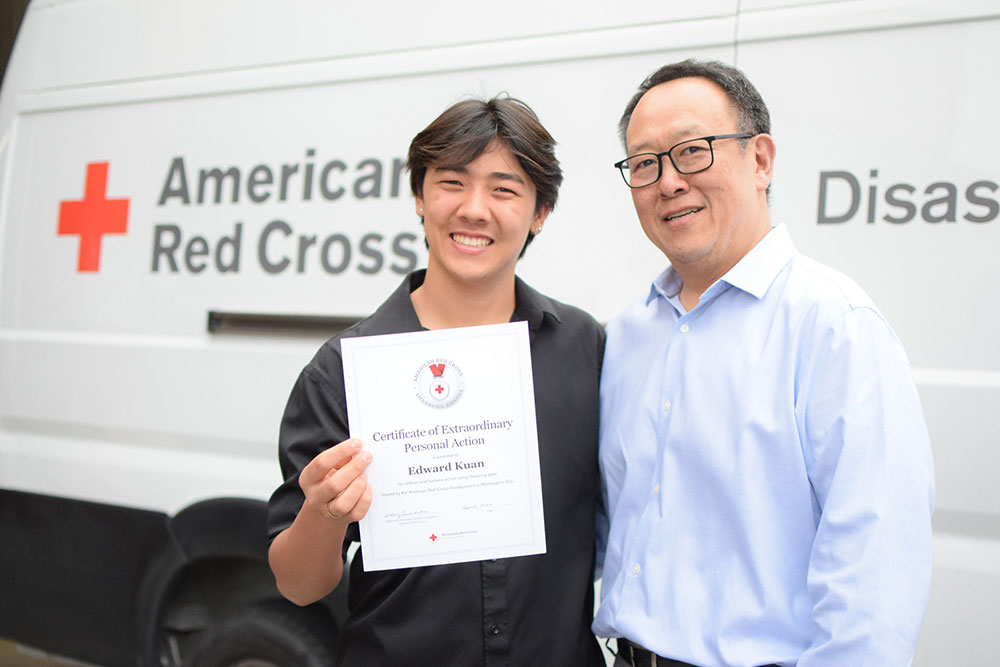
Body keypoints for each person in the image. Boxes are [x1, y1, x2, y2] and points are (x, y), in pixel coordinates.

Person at [593, 59, 935, 667]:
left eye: (692, 151)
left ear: (760, 160)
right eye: (644, 163)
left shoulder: (834, 327)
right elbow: (591, 530)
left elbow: (875, 579)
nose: (668, 182)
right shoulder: (625, 338)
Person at [267, 96, 606, 666]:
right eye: (452, 182)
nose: (474, 209)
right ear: (420, 199)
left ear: (540, 212)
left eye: (504, 189)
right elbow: (299, 585)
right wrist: (322, 515)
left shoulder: (583, 348)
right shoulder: (345, 369)